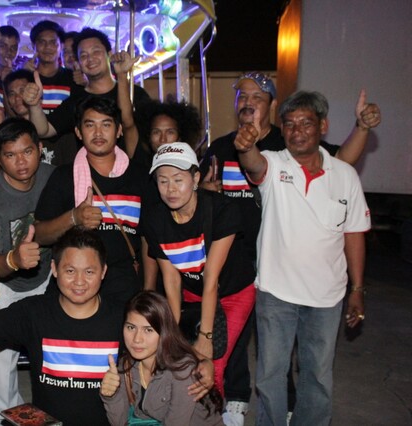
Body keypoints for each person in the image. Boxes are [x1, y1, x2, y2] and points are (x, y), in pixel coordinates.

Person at [199, 71, 381, 425]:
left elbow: (354, 233)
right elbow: (255, 165)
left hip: (326, 297)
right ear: (282, 129)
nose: (297, 131)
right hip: (276, 294)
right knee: (270, 376)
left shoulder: (344, 175)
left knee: (317, 378)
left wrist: (357, 289)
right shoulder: (275, 163)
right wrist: (245, 146)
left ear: (323, 126)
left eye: (306, 123)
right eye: (291, 124)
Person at [0, 227, 124, 426]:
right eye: (70, 271)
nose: (79, 281)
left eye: (89, 272)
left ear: (103, 272)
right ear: (54, 269)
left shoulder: (123, 318)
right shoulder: (34, 312)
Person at [142, 142, 256, 398]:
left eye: (178, 180)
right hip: (192, 293)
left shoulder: (221, 210)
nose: (170, 189)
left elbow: (211, 279)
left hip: (234, 292)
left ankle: (213, 414)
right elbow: (171, 281)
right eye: (162, 181)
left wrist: (206, 335)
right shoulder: (154, 219)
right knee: (182, 359)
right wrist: (171, 332)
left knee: (211, 363)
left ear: (195, 178)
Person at [0, 117, 55, 425]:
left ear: (40, 149)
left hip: (45, 274)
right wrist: (13, 260)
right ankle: (2, 417)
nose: (21, 162)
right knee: (2, 354)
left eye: (27, 151)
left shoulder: (51, 176)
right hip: (3, 281)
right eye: (10, 154)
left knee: (50, 344)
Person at [33, 96, 152, 305]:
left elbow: (150, 240)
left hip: (123, 286)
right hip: (74, 284)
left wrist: (148, 292)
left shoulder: (140, 176)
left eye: (106, 125)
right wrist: (74, 217)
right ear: (78, 132)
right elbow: (39, 234)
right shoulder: (63, 176)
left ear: (119, 130)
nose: (98, 133)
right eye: (90, 125)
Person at [100, 291, 224, 425]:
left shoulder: (182, 371)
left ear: (164, 332)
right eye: (131, 327)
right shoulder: (126, 365)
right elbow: (119, 422)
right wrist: (110, 396)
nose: (137, 339)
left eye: (148, 330)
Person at [22, 27, 150, 141]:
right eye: (83, 56)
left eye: (96, 52)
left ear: (109, 54)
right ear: (78, 63)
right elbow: (44, 130)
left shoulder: (136, 94)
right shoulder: (77, 100)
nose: (90, 59)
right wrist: (34, 105)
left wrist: (122, 75)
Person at [2, 69, 78, 166]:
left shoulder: (57, 128)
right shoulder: (9, 133)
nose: (17, 98)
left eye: (22, 91)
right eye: (12, 94)